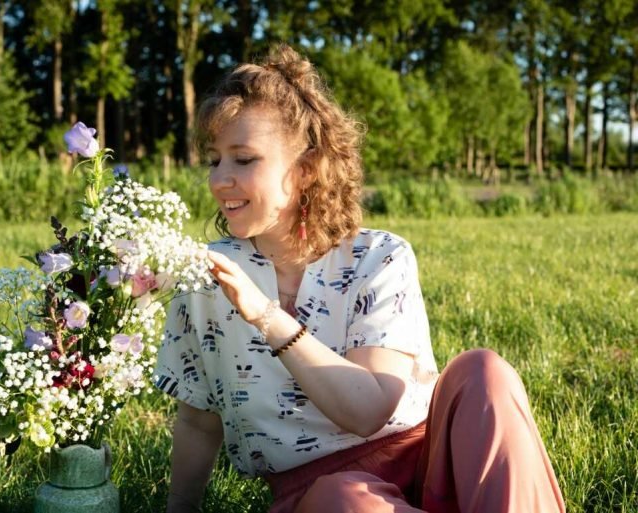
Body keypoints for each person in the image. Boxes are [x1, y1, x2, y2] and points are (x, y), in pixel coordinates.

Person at [152, 43, 566, 513]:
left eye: (243, 159)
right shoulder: (206, 275)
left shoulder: (379, 257)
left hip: (430, 463)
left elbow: (370, 411)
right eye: (214, 159)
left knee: (483, 371)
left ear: (305, 170)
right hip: (320, 496)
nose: (219, 178)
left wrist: (266, 315)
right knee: (343, 497)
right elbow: (198, 420)